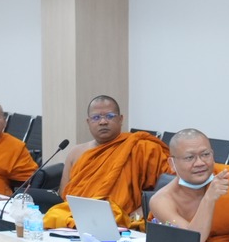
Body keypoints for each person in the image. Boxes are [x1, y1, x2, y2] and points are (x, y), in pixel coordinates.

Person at [42, 97, 169, 229]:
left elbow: (169, 190)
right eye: (96, 117)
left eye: (110, 116)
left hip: (124, 224)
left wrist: (139, 213)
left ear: (120, 119)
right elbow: (65, 197)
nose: (103, 122)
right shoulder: (76, 153)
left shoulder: (143, 148)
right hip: (76, 223)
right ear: (88, 122)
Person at [146, 129, 229, 242]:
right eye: (189, 157)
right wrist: (208, 199)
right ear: (172, 164)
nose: (200, 163)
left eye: (205, 154)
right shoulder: (161, 200)